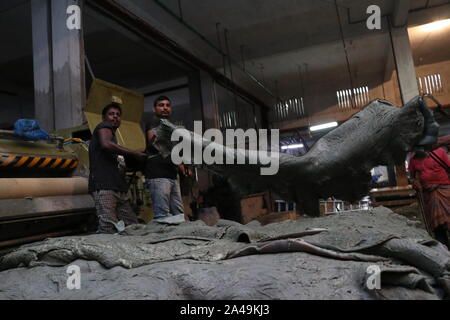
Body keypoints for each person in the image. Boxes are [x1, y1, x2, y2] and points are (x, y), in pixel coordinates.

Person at [89, 103, 147, 234]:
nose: (115, 117)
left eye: (118, 115)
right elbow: (106, 144)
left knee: (132, 226)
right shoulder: (103, 127)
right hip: (104, 187)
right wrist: (133, 153)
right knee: (108, 227)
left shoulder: (114, 140)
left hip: (118, 187)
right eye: (111, 114)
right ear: (104, 117)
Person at [145, 96, 190, 222]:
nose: (165, 107)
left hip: (171, 174)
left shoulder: (169, 126)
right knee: (163, 216)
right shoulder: (155, 121)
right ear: (154, 109)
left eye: (167, 105)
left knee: (179, 215)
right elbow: (154, 142)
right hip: (158, 174)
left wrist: (182, 166)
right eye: (161, 105)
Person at [409, 147, 450, 249]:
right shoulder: (413, 159)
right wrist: (415, 182)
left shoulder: (439, 152)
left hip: (444, 191)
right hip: (428, 195)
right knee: (436, 225)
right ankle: (443, 247)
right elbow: (412, 177)